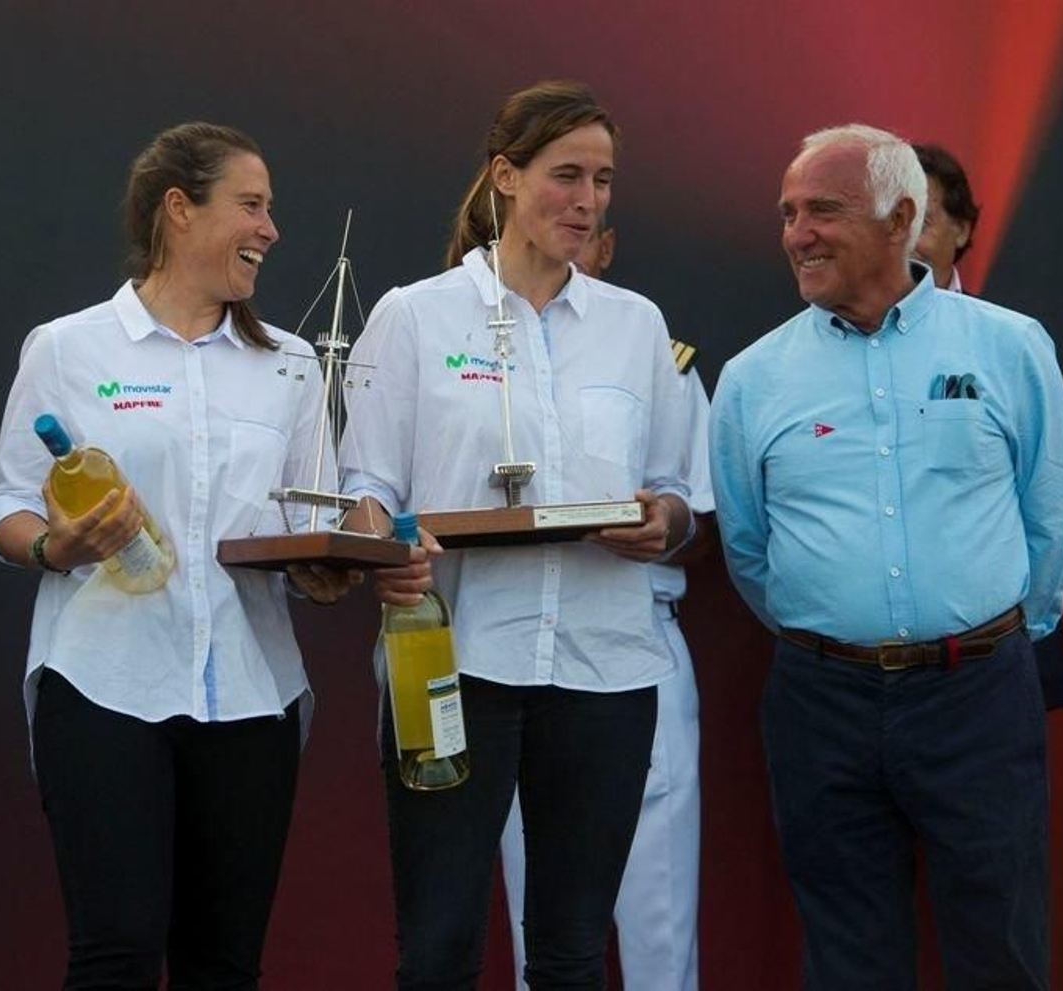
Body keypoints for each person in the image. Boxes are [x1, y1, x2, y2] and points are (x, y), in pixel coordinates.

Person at [0, 121, 353, 990]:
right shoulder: (68, 348)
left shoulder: (294, 366)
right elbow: (4, 504)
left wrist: (327, 567)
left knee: (224, 964)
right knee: (116, 954)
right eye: (251, 206)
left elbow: (311, 521)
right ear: (178, 211)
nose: (270, 229)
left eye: (271, 209)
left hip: (253, 693)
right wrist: (52, 543)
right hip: (104, 685)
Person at [341, 81, 693, 989]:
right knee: (440, 940)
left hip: (605, 667)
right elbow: (366, 486)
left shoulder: (636, 324)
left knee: (574, 946)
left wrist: (663, 521)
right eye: (566, 175)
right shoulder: (413, 315)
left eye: (604, 180)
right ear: (505, 175)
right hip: (450, 659)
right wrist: (385, 548)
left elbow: (676, 491)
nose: (588, 201)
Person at [710, 124, 1063, 988]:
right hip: (820, 699)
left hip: (978, 694)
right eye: (788, 212)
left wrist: (996, 638)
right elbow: (750, 550)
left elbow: (1046, 519)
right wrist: (839, 631)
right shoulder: (752, 379)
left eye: (823, 210)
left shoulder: (1010, 347)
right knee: (848, 954)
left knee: (1002, 947)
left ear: (902, 217)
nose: (797, 233)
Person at [498, 213, 714, 991]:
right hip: (517, 641)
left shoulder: (657, 350)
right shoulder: (479, 357)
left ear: (609, 245)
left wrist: (665, 523)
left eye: (583, 231)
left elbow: (698, 510)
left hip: (636, 632)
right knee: (542, 916)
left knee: (657, 910)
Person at [913, 141, 1063, 710]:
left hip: (992, 655)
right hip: (862, 671)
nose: (903, 238)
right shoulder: (809, 355)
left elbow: (1047, 501)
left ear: (960, 230)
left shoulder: (1012, 343)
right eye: (889, 219)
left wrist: (1013, 636)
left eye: (922, 219)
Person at [911, 143, 978, 293]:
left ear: (961, 231)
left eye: (920, 225)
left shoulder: (986, 317)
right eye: (893, 224)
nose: (903, 242)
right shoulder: (852, 314)